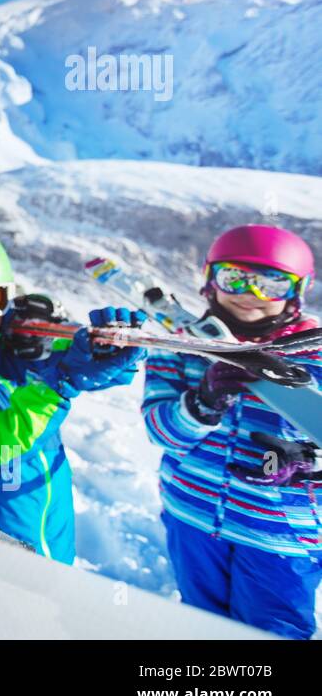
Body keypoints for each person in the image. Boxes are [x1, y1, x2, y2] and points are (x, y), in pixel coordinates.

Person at [0, 224, 146, 563]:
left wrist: (102, 350)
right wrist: (59, 383)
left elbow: (82, 367)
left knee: (56, 588)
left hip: (49, 495)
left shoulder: (10, 336)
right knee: (10, 601)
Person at [140, 223, 322, 639]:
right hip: (192, 517)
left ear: (296, 291)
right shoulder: (180, 348)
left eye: (270, 284)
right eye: (234, 278)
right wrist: (201, 403)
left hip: (280, 536)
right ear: (210, 281)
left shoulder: (317, 357)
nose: (249, 294)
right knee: (200, 624)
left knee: (273, 631)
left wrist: (307, 460)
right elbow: (160, 431)